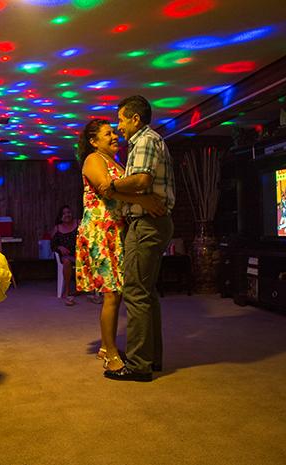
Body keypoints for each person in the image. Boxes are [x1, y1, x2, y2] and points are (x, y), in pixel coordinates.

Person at [75, 118, 166, 374]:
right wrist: (146, 202)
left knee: (118, 291)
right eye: (107, 134)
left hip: (116, 229)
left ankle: (106, 345)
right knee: (112, 293)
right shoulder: (94, 159)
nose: (114, 136)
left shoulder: (115, 161)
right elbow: (107, 191)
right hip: (100, 230)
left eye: (114, 132)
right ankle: (111, 353)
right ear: (94, 141)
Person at [101, 95, 175, 382]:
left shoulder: (145, 140)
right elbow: (141, 191)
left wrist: (112, 186)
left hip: (147, 225)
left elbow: (142, 181)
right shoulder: (146, 142)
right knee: (147, 292)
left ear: (135, 118)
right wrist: (124, 194)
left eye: (120, 119)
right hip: (151, 220)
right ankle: (152, 358)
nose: (118, 126)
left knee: (135, 291)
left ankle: (139, 364)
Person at [51, 205, 79, 305]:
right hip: (67, 255)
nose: (67, 215)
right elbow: (52, 245)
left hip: (80, 253)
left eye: (69, 212)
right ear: (60, 216)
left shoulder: (78, 223)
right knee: (66, 262)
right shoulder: (58, 228)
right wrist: (59, 247)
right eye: (64, 213)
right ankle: (67, 290)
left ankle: (94, 292)